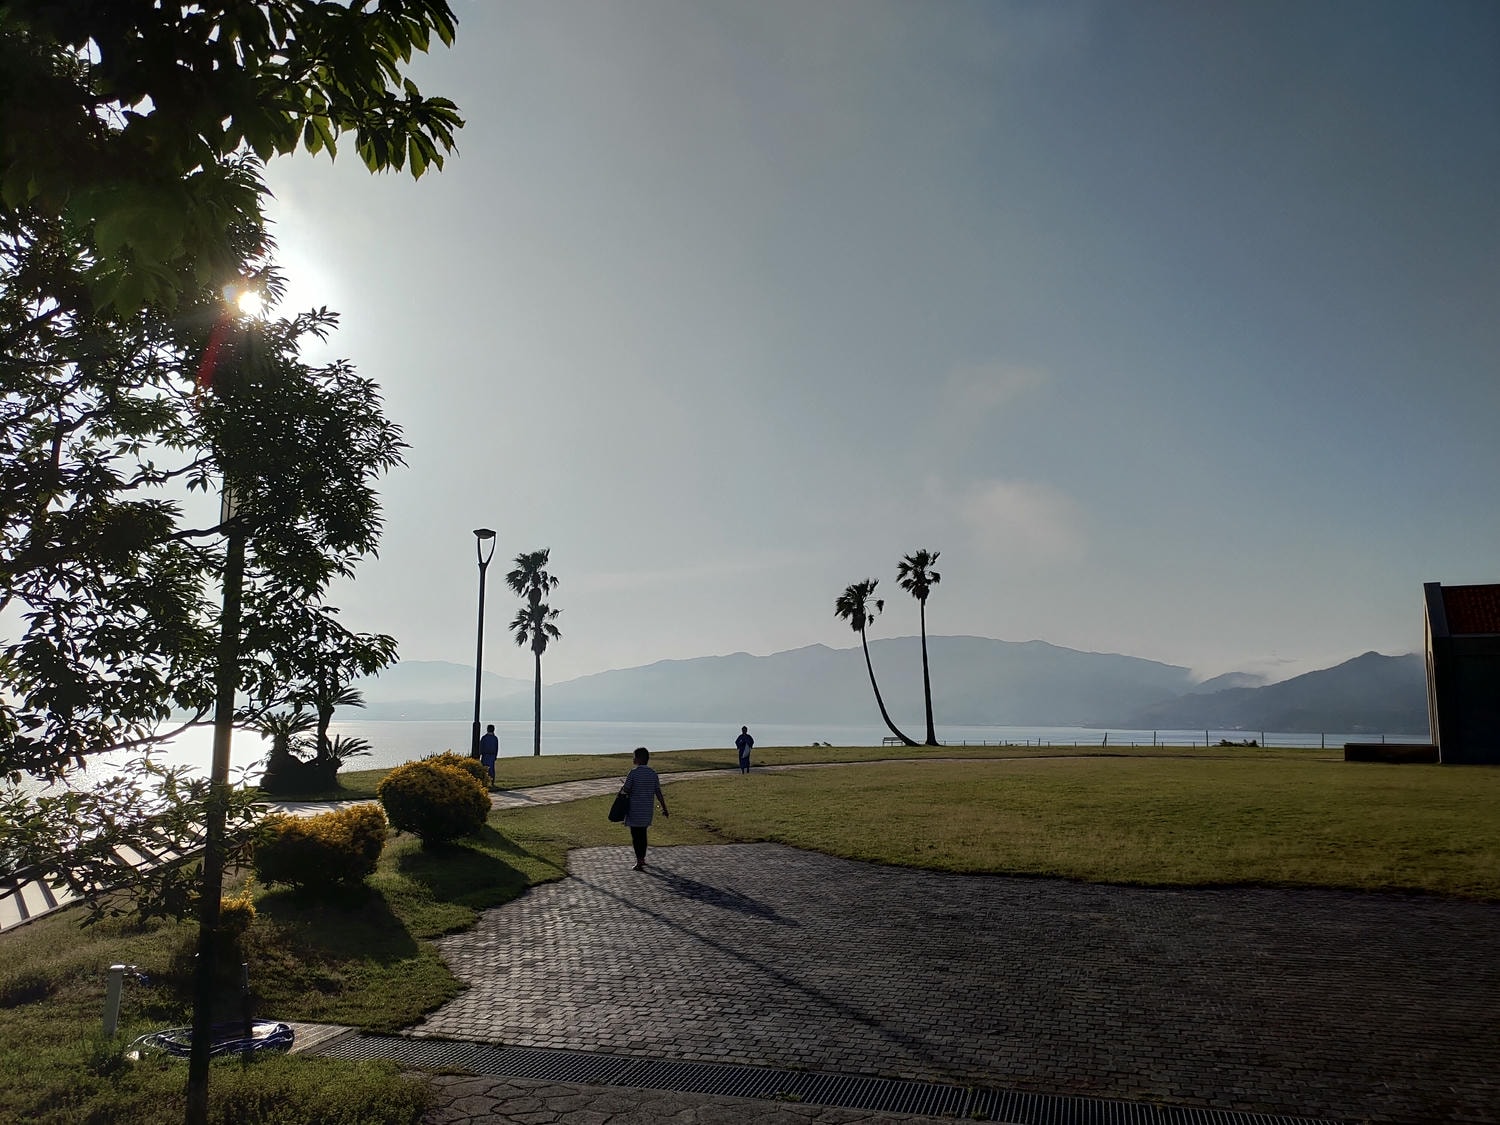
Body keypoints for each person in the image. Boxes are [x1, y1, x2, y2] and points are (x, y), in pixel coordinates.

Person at [620, 746, 669, 870]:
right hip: (647, 811)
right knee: (643, 834)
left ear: (639, 759)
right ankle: (642, 858)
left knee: (636, 836)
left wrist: (623, 788)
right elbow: (658, 792)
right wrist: (664, 808)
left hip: (635, 810)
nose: (633, 759)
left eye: (634, 757)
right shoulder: (653, 774)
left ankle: (639, 861)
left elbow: (626, 790)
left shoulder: (633, 773)